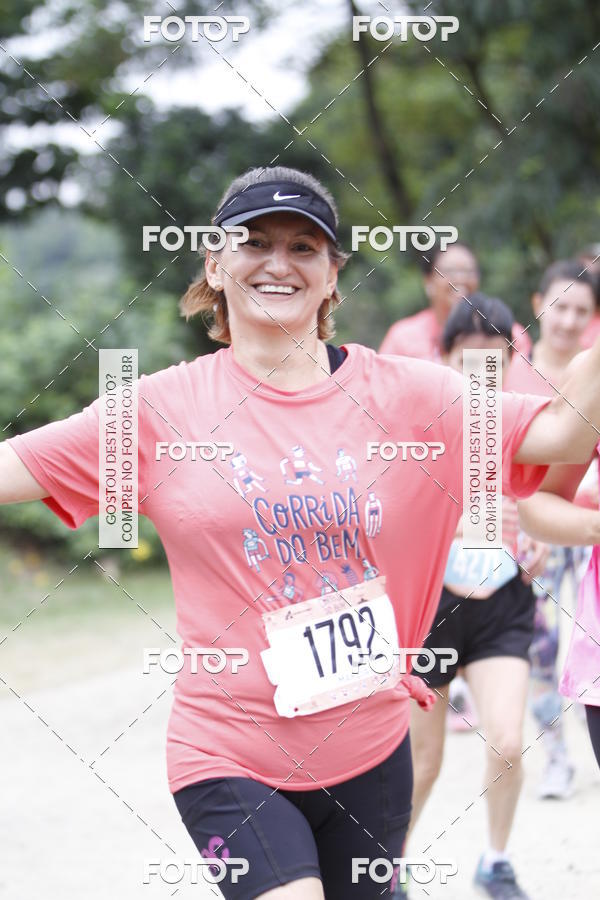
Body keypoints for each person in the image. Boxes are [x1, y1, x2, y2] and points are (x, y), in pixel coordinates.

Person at [2, 166, 600, 900]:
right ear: (214, 265)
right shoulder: (158, 411)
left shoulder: (414, 396)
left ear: (331, 275)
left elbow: (567, 434)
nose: (278, 262)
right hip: (226, 753)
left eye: (304, 246)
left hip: (374, 748)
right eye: (253, 242)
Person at [406, 294, 547, 900]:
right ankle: (389, 868)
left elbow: (549, 499)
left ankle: (495, 861)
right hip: (432, 606)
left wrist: (539, 536)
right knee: (422, 764)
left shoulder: (528, 424)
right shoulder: (414, 424)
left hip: (503, 604)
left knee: (508, 741)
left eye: (496, 360)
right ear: (447, 358)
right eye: (471, 361)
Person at [505, 259, 598, 798]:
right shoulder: (510, 369)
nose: (566, 320)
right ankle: (556, 753)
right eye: (559, 306)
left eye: (580, 311)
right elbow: (483, 464)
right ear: (539, 303)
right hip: (522, 531)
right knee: (541, 644)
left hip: (578, 526)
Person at [518, 433, 600, 771]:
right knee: (543, 648)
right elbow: (538, 496)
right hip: (555, 542)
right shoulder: (591, 386)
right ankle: (555, 756)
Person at [379, 242, 532, 363]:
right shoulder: (402, 338)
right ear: (428, 282)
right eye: (450, 271)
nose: (461, 279)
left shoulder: (509, 334)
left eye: (469, 271)